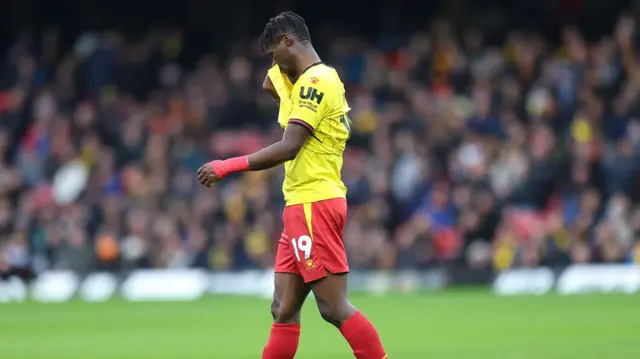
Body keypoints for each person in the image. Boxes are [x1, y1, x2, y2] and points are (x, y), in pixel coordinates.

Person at [197, 11, 388, 359]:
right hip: (300, 206)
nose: (275, 64)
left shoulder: (317, 82)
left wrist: (228, 165)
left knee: (333, 307)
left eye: (274, 55)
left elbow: (290, 146)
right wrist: (281, 84)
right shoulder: (307, 84)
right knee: (283, 307)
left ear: (288, 41)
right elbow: (289, 113)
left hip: (314, 205)